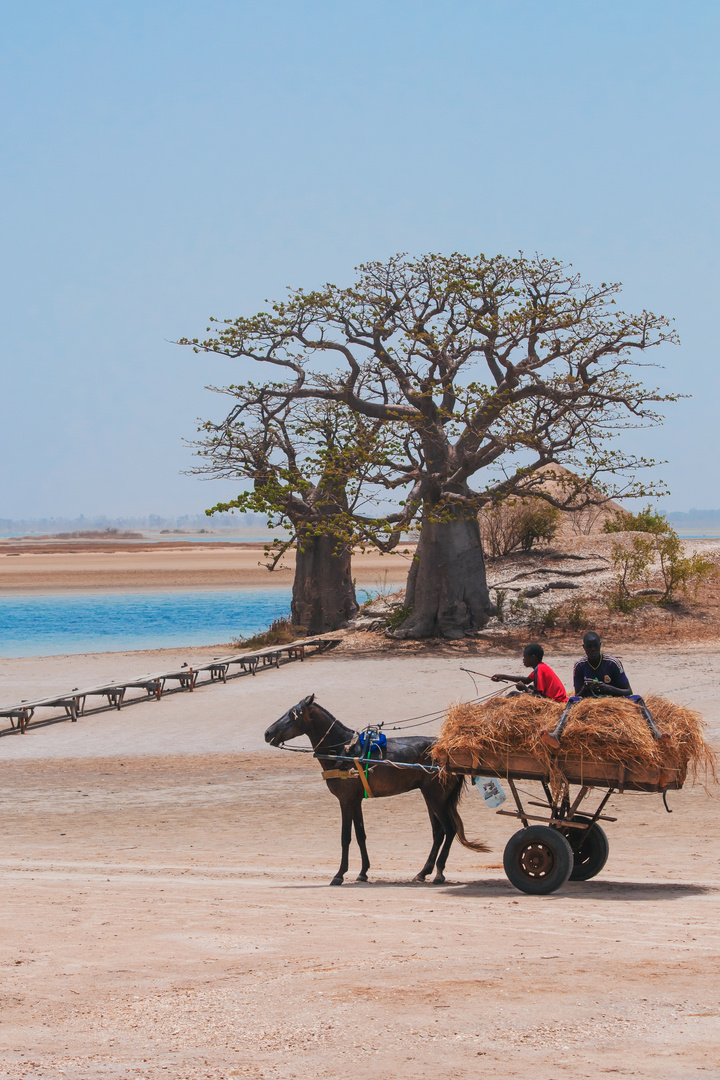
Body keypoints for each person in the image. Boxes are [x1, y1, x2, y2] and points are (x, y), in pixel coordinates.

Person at [491, 643, 568, 702]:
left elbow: (538, 696)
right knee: (529, 688)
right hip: (553, 698)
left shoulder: (540, 669)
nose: (523, 659)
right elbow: (526, 680)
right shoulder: (541, 667)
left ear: (533, 658)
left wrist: (524, 688)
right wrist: (502, 676)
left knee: (513, 694)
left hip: (555, 700)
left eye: (525, 656)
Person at [573, 631, 632, 698]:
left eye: (596, 646)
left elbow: (628, 691)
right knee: (572, 700)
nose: (593, 649)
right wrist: (585, 687)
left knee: (637, 698)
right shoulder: (579, 665)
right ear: (584, 647)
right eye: (589, 647)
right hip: (590, 701)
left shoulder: (613, 663)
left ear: (600, 645)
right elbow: (577, 696)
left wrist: (607, 688)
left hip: (613, 700)